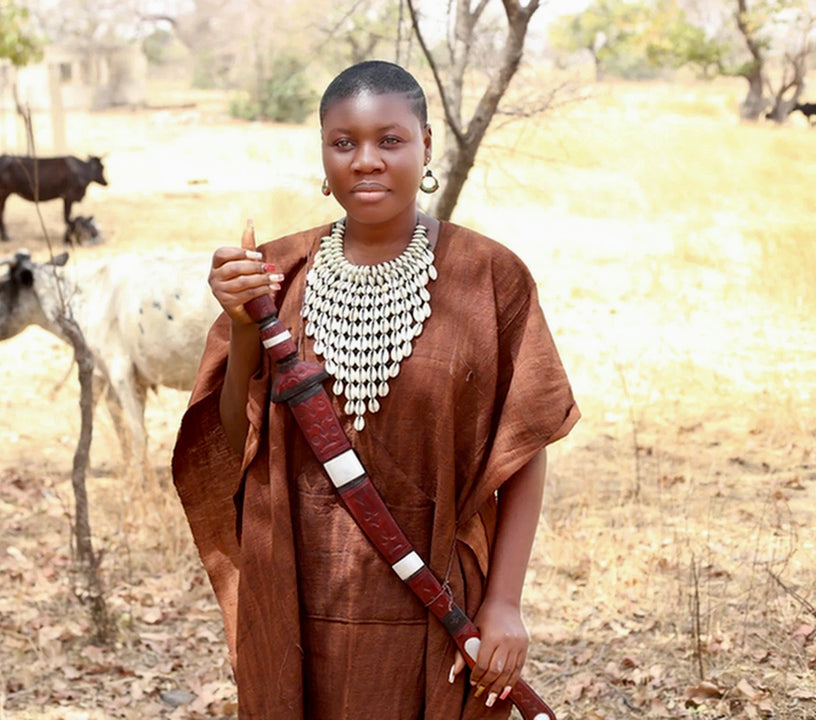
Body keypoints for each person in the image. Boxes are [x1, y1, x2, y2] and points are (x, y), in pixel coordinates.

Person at [172, 60, 579, 720]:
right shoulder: (277, 273)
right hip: (299, 595)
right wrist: (246, 325)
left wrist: (504, 603)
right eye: (344, 142)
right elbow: (232, 437)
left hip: (436, 599)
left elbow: (523, 449)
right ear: (323, 155)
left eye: (390, 140)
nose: (366, 161)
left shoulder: (488, 278)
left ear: (425, 146)